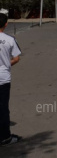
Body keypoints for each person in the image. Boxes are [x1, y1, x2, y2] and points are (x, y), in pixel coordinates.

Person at [0, 13, 22, 147]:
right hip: (3, 78)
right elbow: (16, 58)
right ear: (6, 24)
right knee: (3, 108)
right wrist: (6, 64)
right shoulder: (10, 39)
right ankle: (5, 137)